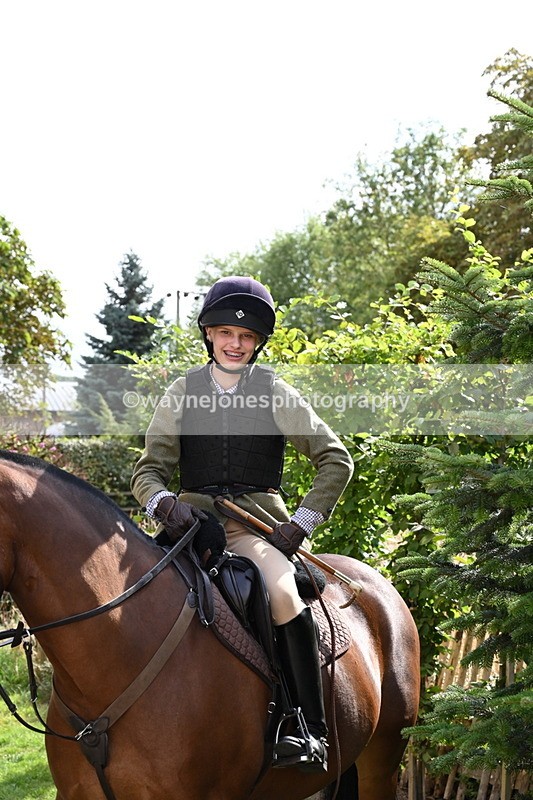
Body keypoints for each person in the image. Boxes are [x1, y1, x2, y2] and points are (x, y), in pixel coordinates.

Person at [131, 276, 353, 771]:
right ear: (209, 334)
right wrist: (167, 506)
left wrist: (301, 523)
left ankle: (307, 729)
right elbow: (148, 473)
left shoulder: (275, 392)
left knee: (283, 595)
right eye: (226, 332)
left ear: (257, 343)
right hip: (188, 529)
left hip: (254, 531)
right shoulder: (181, 392)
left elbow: (336, 460)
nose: (235, 343)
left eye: (247, 336)